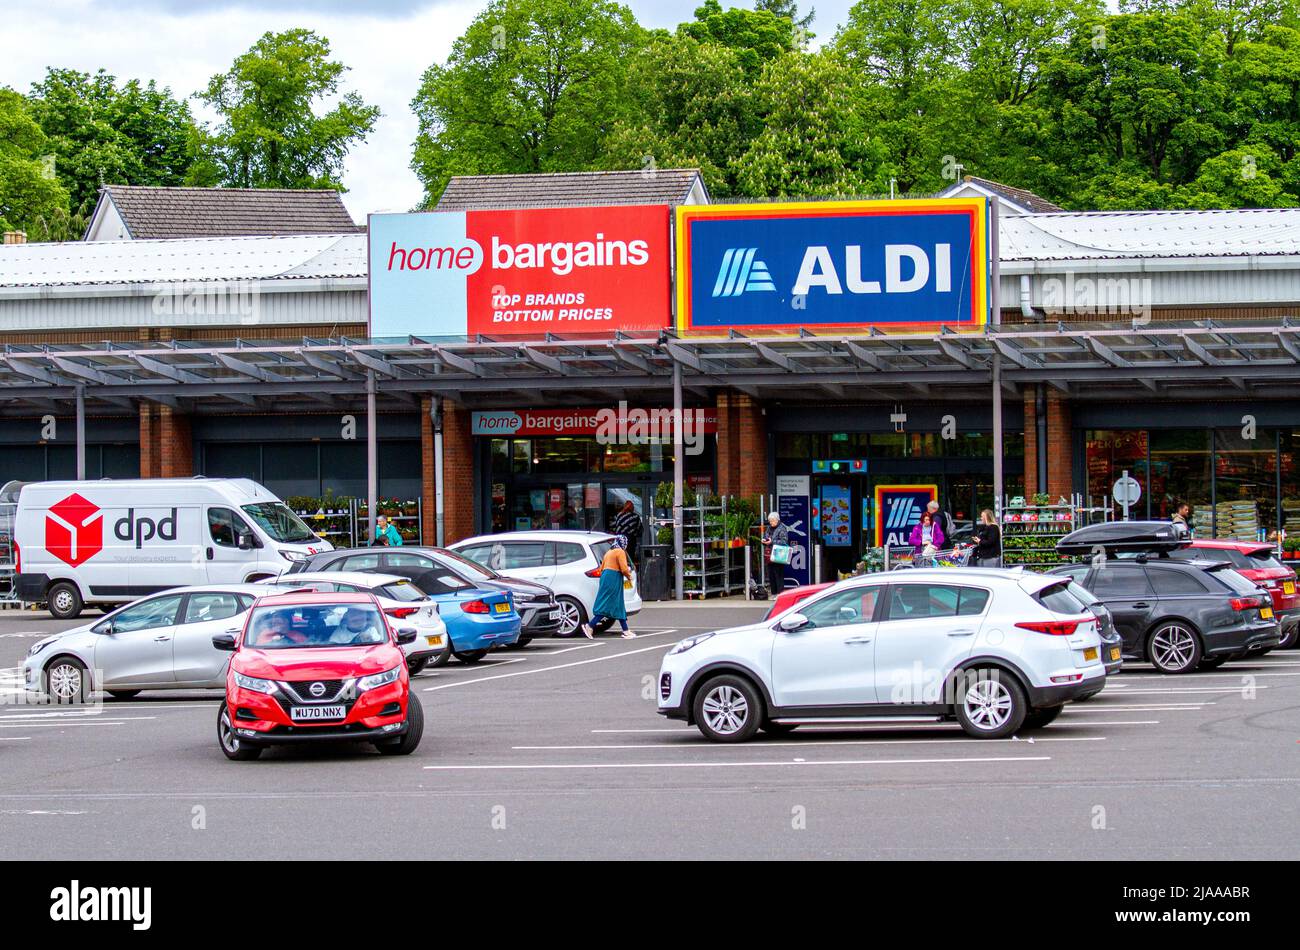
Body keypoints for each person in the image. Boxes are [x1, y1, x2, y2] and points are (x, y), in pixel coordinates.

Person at [583, 537, 635, 639]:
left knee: (616, 604)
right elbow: (624, 568)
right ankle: (590, 626)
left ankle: (626, 630)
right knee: (610, 604)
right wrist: (629, 577)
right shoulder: (620, 551)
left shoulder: (609, 552)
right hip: (614, 577)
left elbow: (602, 568)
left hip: (606, 577)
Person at [762, 511, 790, 595]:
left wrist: (772, 541)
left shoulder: (782, 528)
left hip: (779, 554)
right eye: (770, 521)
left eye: (773, 521)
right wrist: (764, 540)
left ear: (777, 520)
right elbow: (765, 536)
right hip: (770, 554)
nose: (771, 523)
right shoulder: (769, 528)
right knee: (771, 574)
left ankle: (780, 593)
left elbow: (784, 541)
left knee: (778, 574)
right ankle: (774, 593)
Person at [611, 500, 643, 564]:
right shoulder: (635, 516)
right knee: (630, 556)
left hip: (620, 538)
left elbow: (614, 526)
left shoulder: (619, 515)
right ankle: (629, 570)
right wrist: (635, 534)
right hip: (630, 539)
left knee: (620, 555)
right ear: (632, 508)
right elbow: (640, 529)